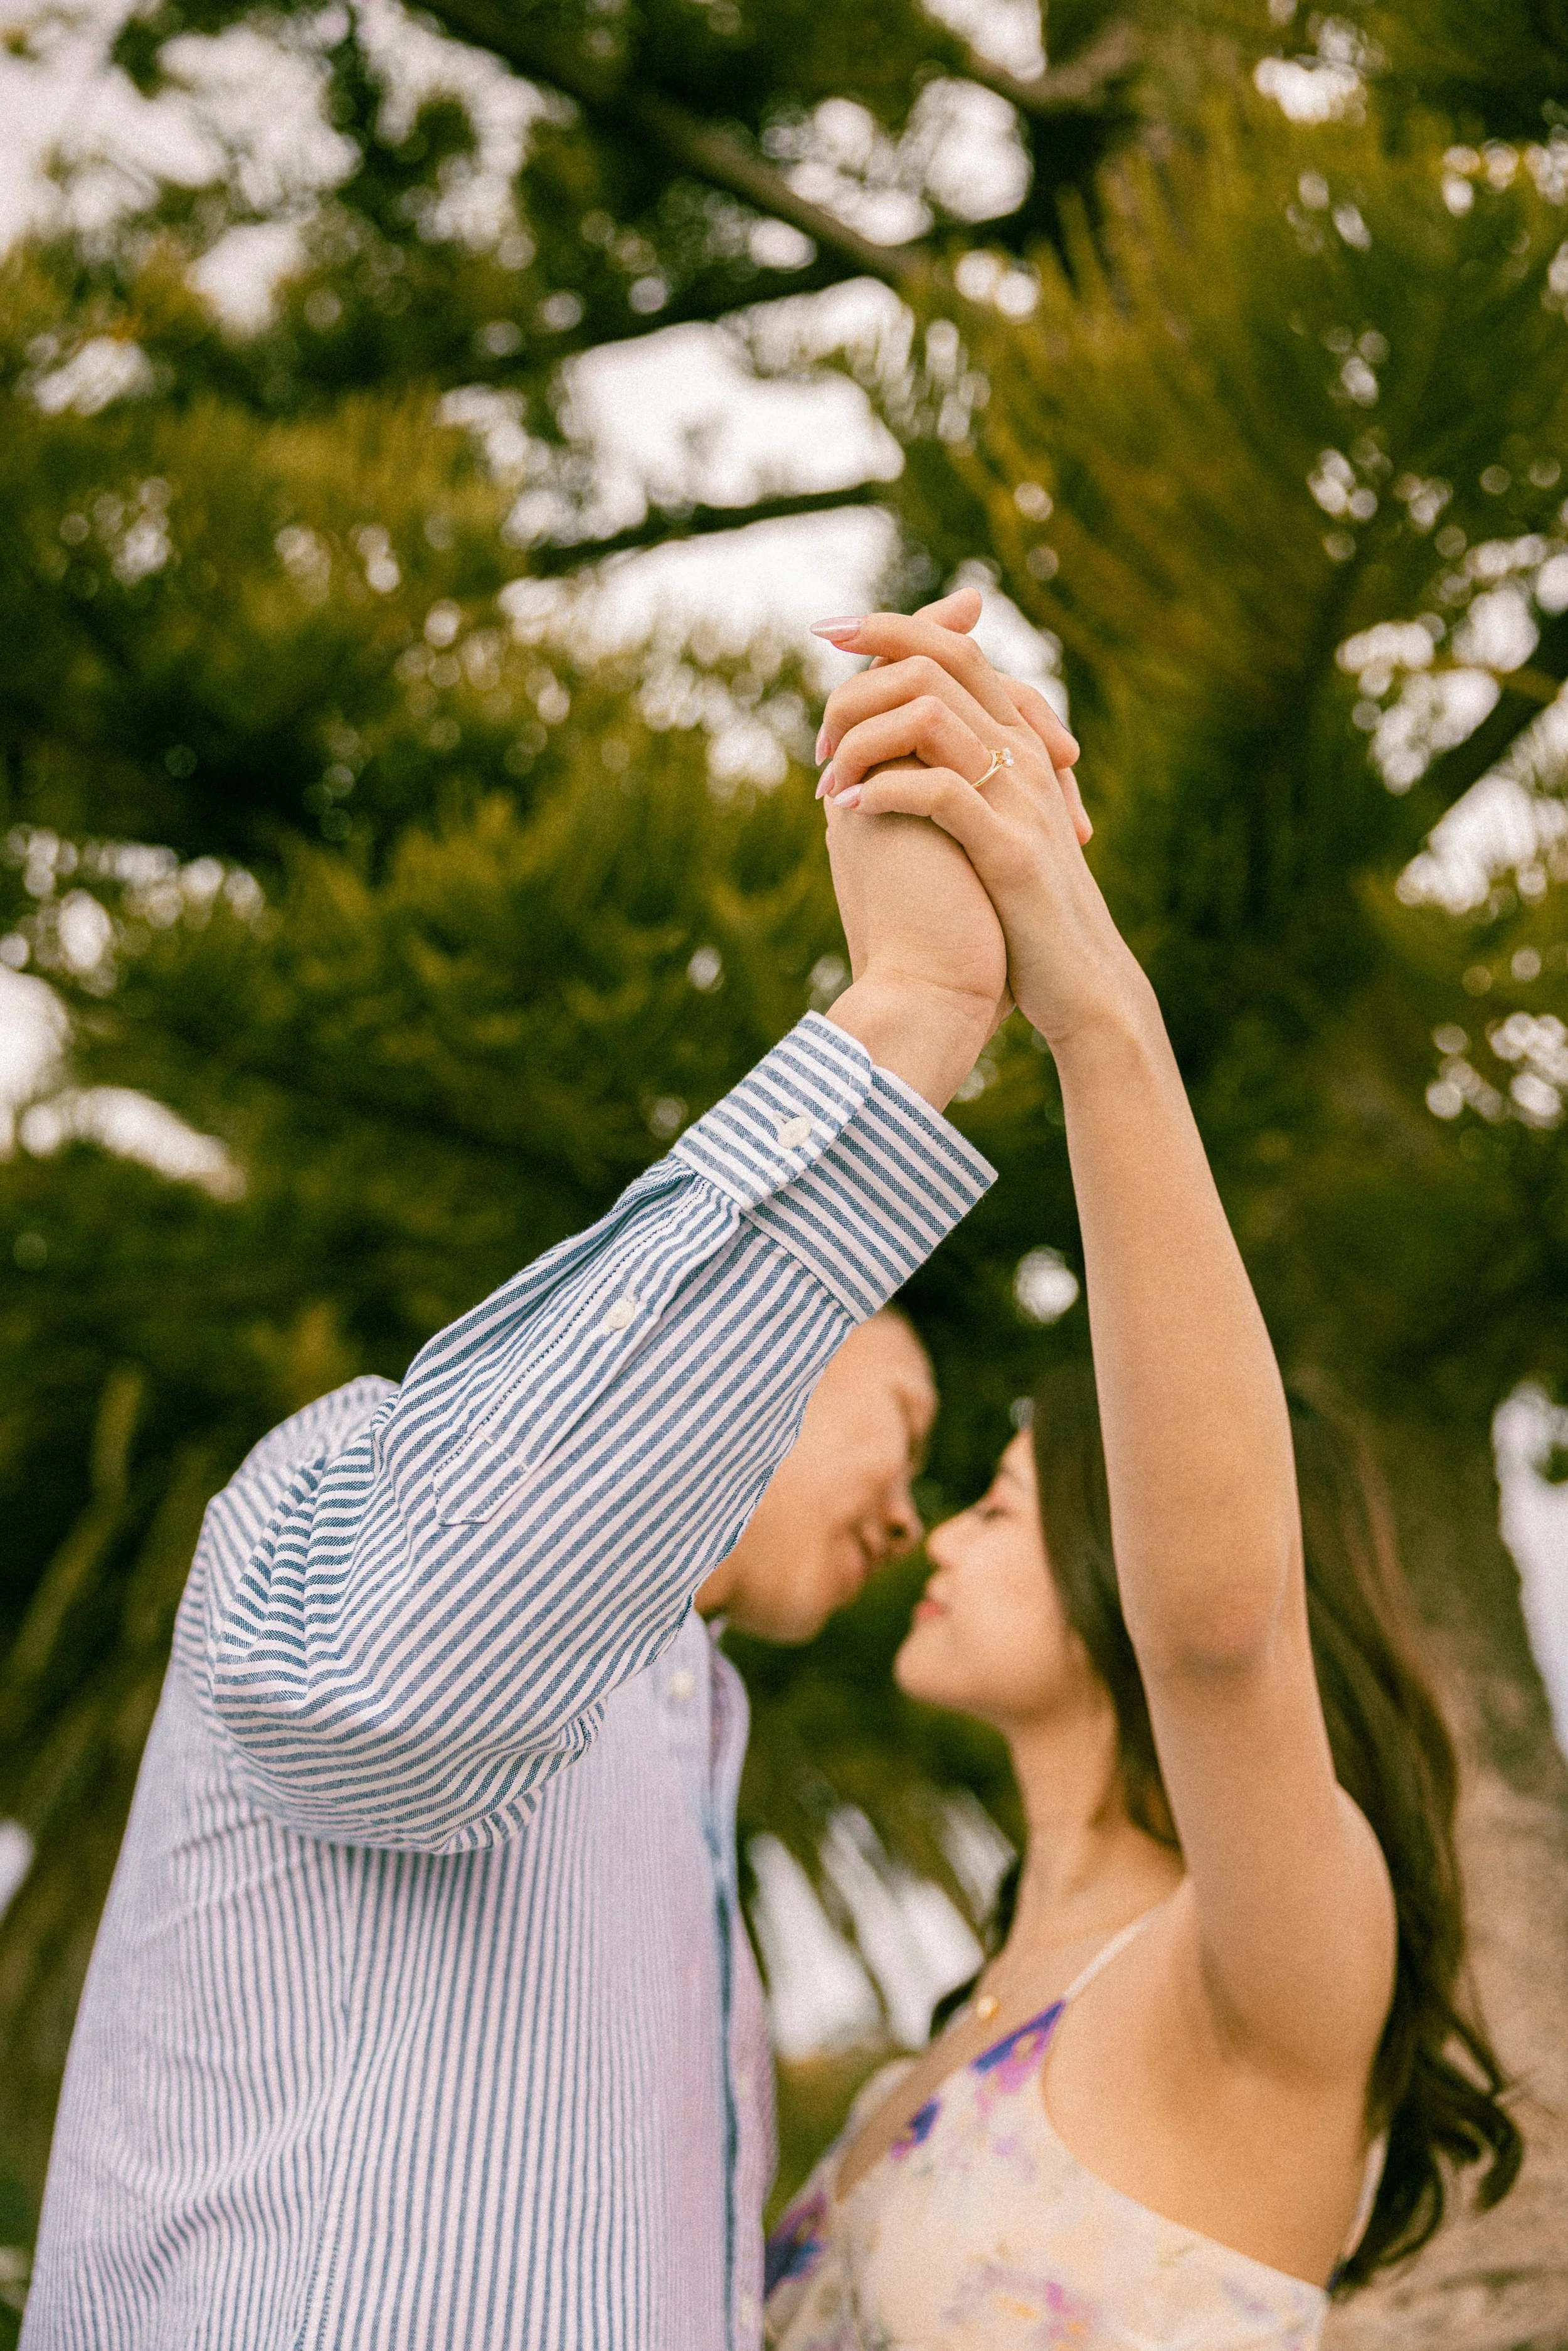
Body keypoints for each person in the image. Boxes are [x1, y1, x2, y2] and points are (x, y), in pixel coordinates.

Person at [21, 590, 1083, 2351]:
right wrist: (915, 1009)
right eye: (899, 1427)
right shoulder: (331, 1478)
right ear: (773, 1346)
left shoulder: (694, 1771)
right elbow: (409, 1662)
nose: (909, 1512)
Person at [763, 610, 1521, 2348]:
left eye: (1011, 1502)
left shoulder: (1273, 1961)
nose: (937, 1531)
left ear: (1119, 1561)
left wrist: (1081, 990)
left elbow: (1219, 1623)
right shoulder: (917, 2051)